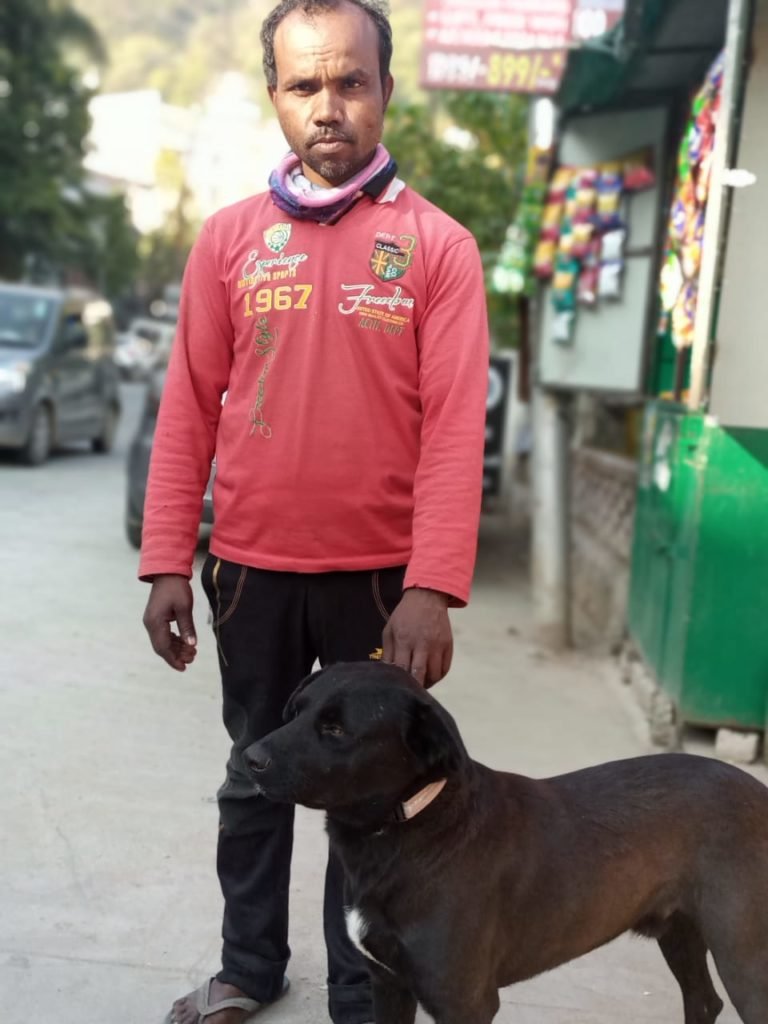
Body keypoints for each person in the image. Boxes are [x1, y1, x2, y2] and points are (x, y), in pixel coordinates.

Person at [140, 1, 489, 1022]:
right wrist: (169, 557)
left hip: (379, 588)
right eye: (304, 86)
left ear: (386, 89)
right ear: (275, 96)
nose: (327, 106)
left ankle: (360, 986)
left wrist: (430, 586)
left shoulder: (436, 248)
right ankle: (249, 965)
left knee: (370, 801)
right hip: (251, 574)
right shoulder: (229, 243)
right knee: (255, 778)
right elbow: (186, 411)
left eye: (349, 82)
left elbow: (455, 431)